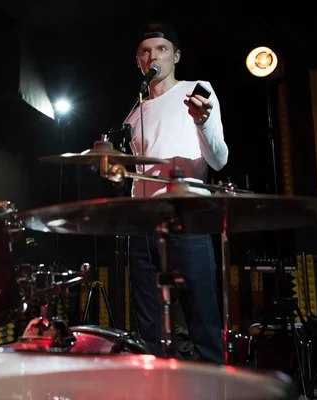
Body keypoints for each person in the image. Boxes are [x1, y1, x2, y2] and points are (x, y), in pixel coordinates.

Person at [125, 22, 228, 364]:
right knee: (149, 330)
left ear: (176, 55)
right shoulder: (134, 113)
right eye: (145, 51)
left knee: (203, 323)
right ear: (139, 60)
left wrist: (202, 121)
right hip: (142, 228)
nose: (152, 55)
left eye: (161, 49)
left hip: (186, 220)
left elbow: (219, 158)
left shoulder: (197, 91)